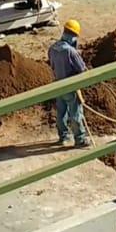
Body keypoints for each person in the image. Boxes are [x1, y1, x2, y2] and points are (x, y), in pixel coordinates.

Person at [47, 19, 90, 147]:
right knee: (75, 113)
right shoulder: (71, 51)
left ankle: (63, 137)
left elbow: (52, 65)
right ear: (74, 36)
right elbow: (82, 69)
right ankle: (80, 139)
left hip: (58, 85)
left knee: (61, 113)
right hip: (71, 87)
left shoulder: (52, 48)